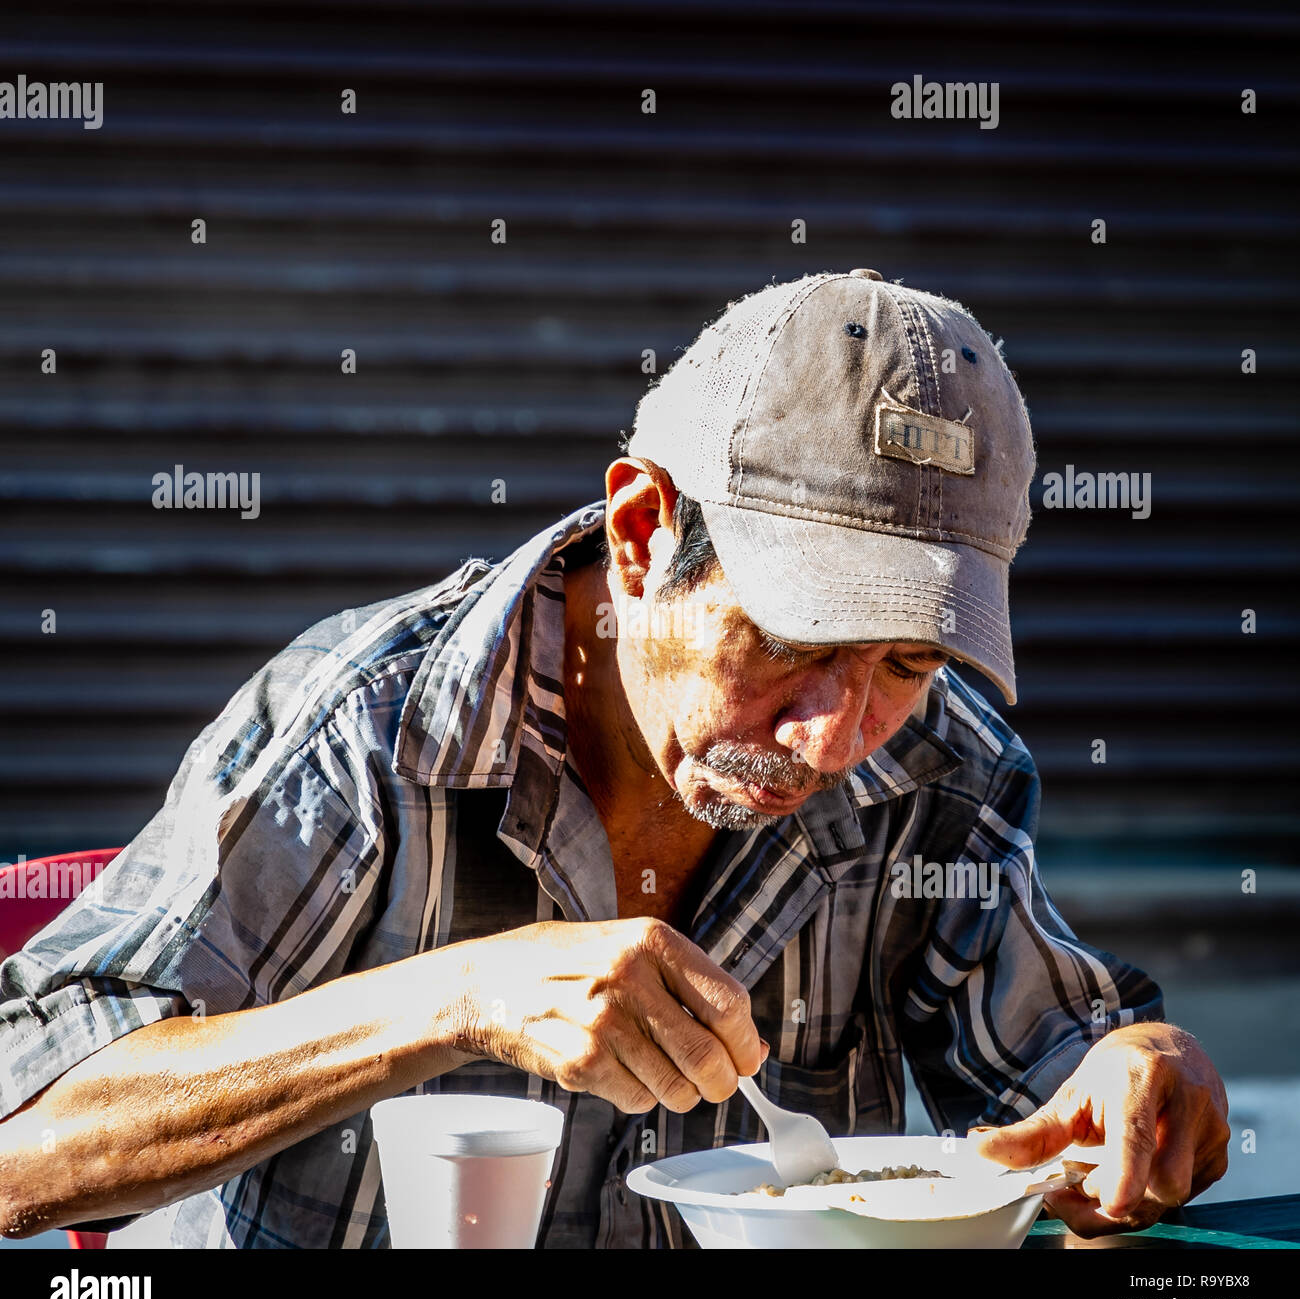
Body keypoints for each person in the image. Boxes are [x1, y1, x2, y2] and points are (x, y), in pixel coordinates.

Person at [0, 269, 1228, 1249]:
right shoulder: (368, 731)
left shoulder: (935, 774)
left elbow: (1057, 1076)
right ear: (643, 532)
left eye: (905, 664)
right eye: (792, 640)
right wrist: (454, 998)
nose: (836, 734)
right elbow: (22, 1144)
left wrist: (1139, 1080)